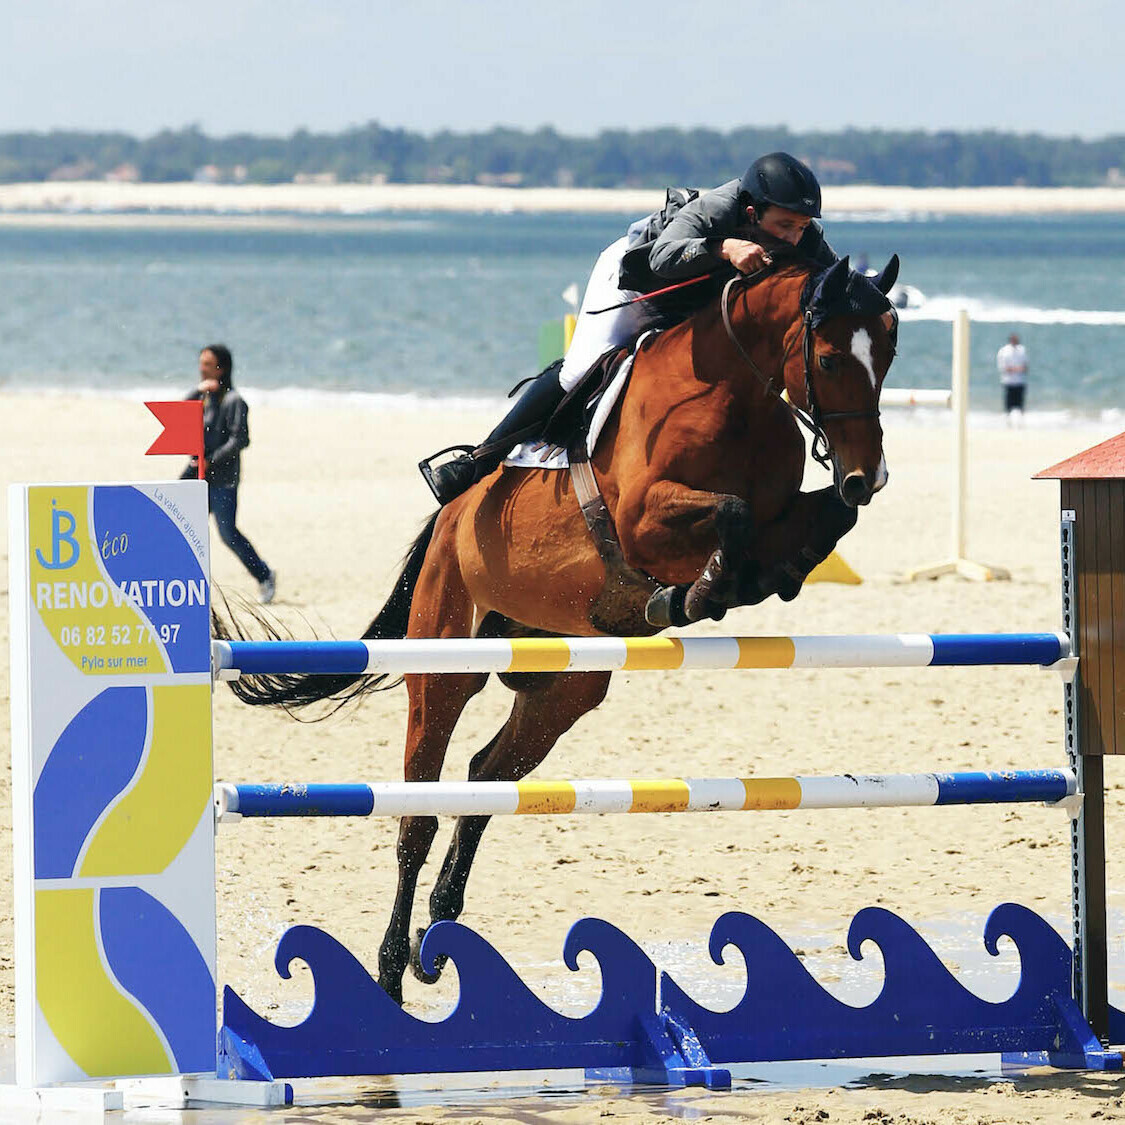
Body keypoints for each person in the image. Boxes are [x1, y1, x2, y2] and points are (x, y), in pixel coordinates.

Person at [421, 152, 838, 505]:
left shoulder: (800, 232)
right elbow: (661, 260)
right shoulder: (715, 210)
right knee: (579, 370)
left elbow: (835, 279)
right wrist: (723, 247)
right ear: (751, 213)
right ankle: (478, 461)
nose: (795, 237)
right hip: (637, 283)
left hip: (690, 301)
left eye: (801, 227)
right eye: (785, 226)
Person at [181, 344, 277, 603]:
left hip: (222, 479)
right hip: (195, 474)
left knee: (227, 533)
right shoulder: (203, 397)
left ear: (222, 368)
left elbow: (240, 440)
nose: (202, 369)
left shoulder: (235, 401)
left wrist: (212, 461)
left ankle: (265, 574)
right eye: (201, 363)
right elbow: (178, 417)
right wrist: (196, 392)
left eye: (208, 365)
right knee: (180, 526)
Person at [996, 331, 1029, 424]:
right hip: (1008, 382)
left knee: (1020, 404)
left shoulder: (1022, 350)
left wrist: (1016, 369)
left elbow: (1025, 367)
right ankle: (1008, 422)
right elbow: (1003, 368)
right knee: (1008, 405)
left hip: (1020, 381)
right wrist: (1017, 369)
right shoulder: (1004, 351)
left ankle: (1021, 422)